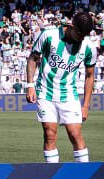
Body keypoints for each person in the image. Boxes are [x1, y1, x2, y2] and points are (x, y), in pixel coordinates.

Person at [25, 11, 97, 163]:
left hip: (69, 94)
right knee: (50, 134)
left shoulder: (89, 47)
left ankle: (83, 175)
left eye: (85, 35)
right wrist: (30, 85)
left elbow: (90, 76)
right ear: (71, 25)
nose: (82, 38)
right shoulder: (49, 35)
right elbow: (33, 58)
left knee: (75, 134)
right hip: (45, 91)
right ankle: (52, 176)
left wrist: (86, 105)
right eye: (79, 33)